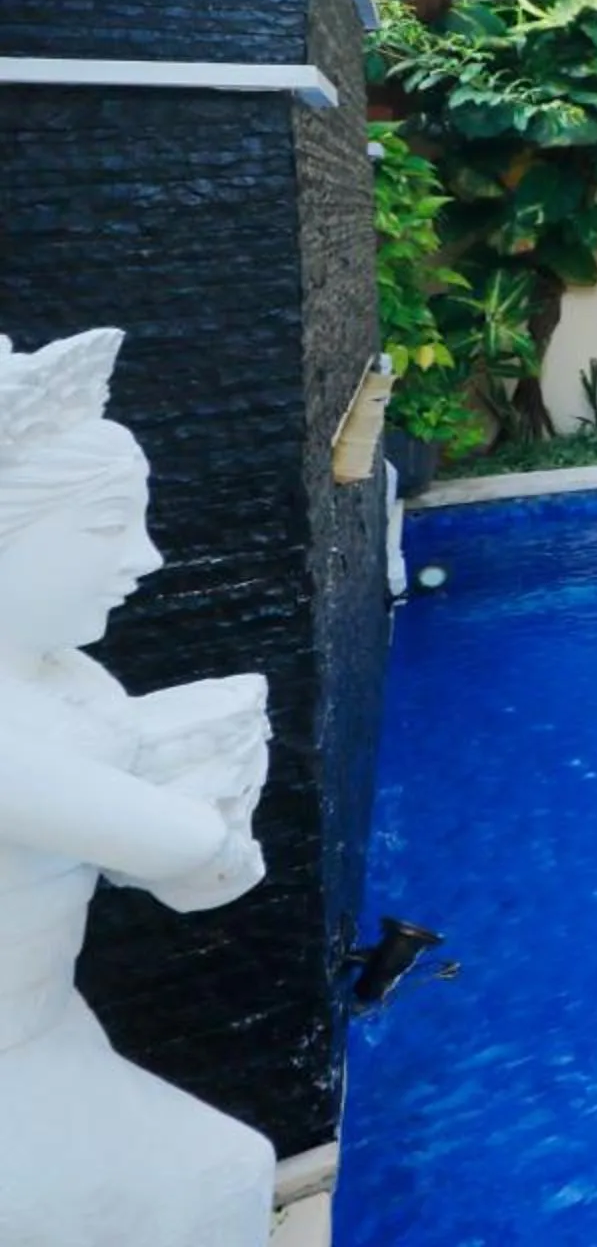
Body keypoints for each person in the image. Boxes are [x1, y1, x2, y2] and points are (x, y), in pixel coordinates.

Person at [0, 329, 274, 1247]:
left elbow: (191, 883)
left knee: (222, 1175)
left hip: (47, 1033)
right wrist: (206, 795)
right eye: (108, 525)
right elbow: (194, 855)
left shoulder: (70, 683)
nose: (147, 557)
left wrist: (206, 787)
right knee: (215, 1179)